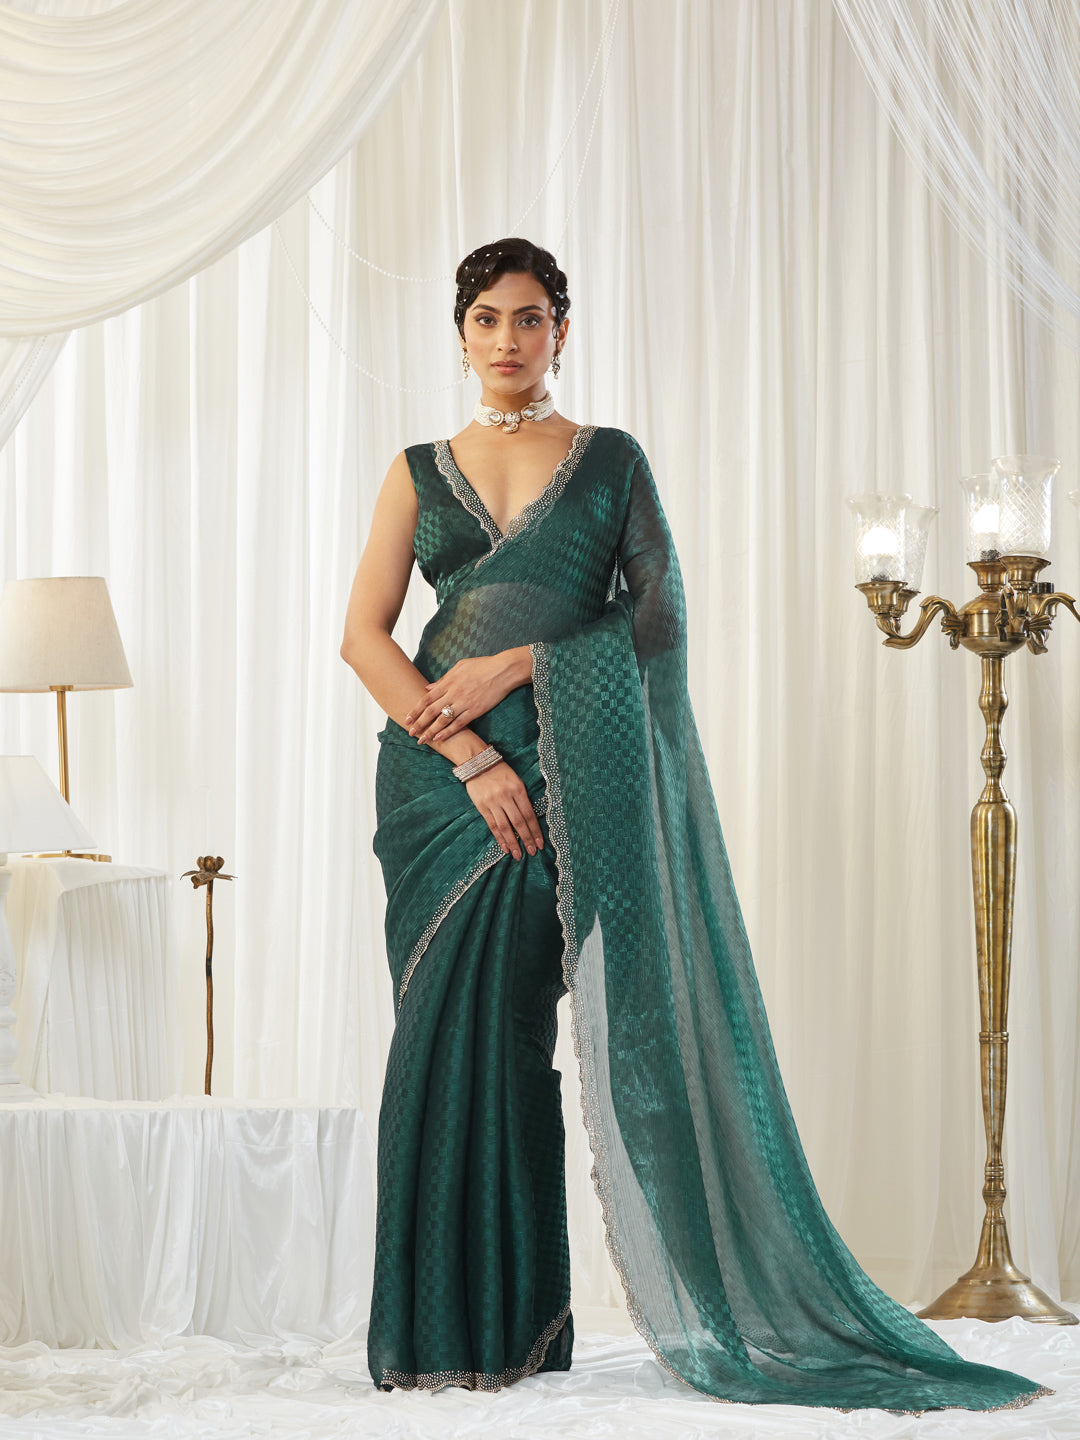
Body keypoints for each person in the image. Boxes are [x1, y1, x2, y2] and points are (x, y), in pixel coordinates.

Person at [340, 237, 1051, 1411]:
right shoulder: (418, 470)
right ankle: (445, 1331)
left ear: (563, 330)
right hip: (436, 787)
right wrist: (467, 756)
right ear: (460, 335)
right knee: (435, 1038)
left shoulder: (609, 460)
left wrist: (521, 664)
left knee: (512, 1031)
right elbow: (363, 636)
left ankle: (519, 1319)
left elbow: (658, 620)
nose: (509, 339)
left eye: (530, 317)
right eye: (487, 319)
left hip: (567, 770)